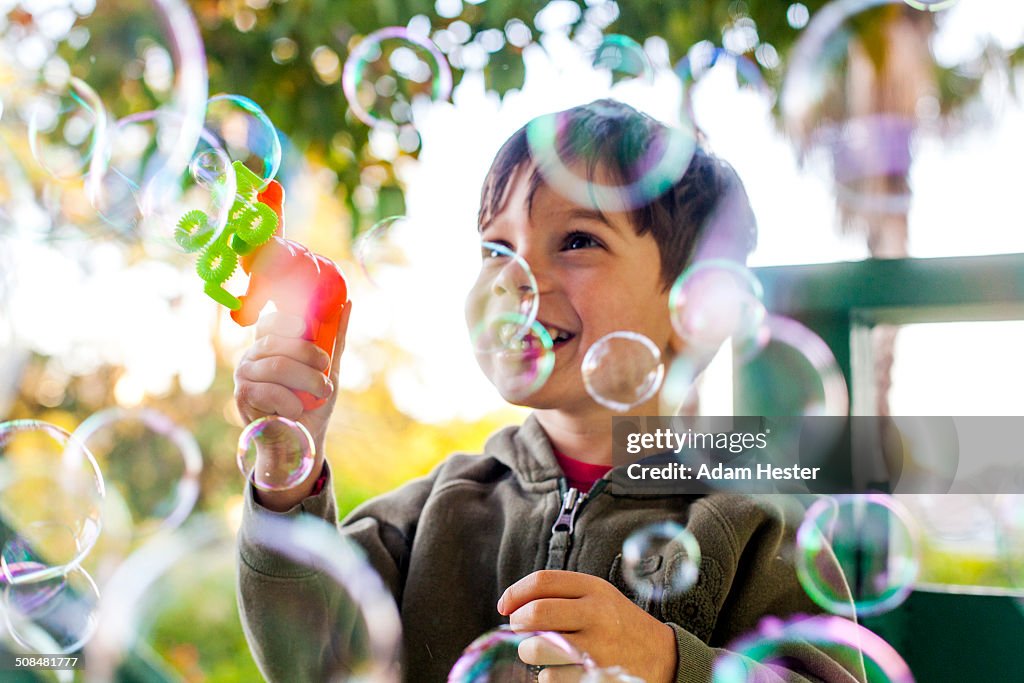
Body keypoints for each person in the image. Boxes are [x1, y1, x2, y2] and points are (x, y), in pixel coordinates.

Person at [234, 99, 864, 682]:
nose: (516, 278)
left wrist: (669, 665)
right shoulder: (435, 513)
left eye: (577, 241)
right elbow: (309, 658)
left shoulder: (750, 521)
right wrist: (288, 467)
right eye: (497, 247)